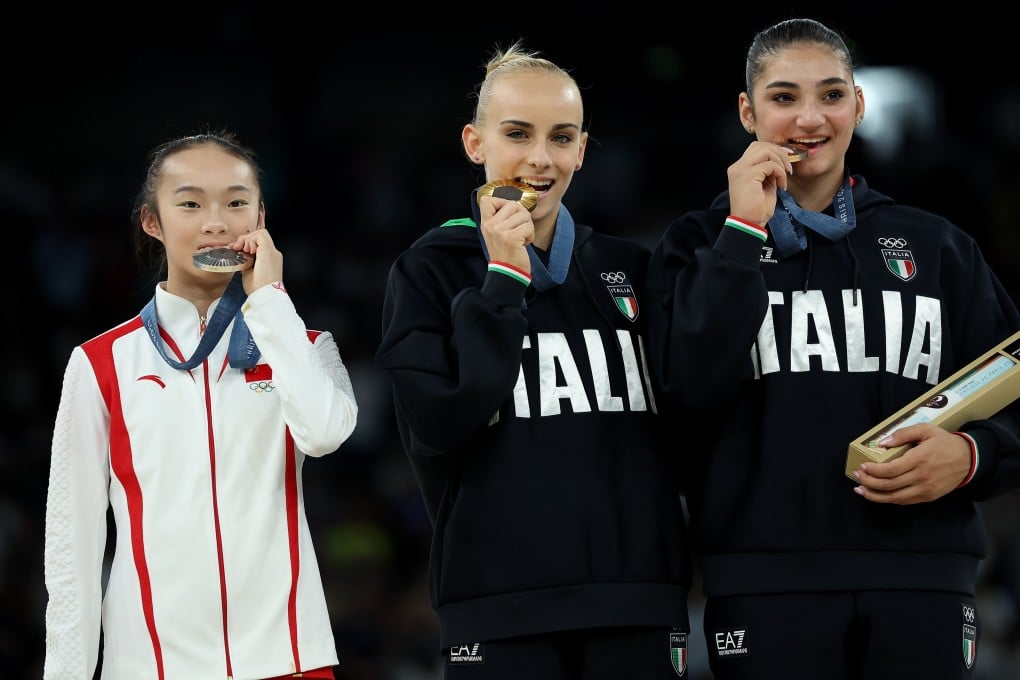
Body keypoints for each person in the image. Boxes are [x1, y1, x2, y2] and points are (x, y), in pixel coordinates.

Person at [644, 17, 1020, 680]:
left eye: (831, 95)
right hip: (763, 581)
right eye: (784, 97)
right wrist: (739, 236)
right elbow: (682, 394)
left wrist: (971, 455)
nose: (809, 118)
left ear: (858, 104)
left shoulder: (938, 248)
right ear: (747, 109)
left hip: (922, 576)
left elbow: (1012, 385)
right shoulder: (695, 245)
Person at [375, 41, 691, 679]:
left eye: (561, 137)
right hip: (497, 606)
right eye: (517, 134)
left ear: (582, 149)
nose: (540, 158)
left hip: (637, 601)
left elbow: (690, 419)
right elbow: (439, 425)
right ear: (475, 143)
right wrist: (501, 282)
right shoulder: (429, 270)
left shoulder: (632, 269)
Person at [43, 130, 359, 680]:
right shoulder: (99, 364)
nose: (216, 222)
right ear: (152, 221)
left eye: (236, 203)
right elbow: (72, 549)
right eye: (189, 203)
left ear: (260, 218)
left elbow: (325, 433)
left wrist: (269, 303)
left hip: (290, 660)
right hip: (151, 667)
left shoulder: (304, 347)